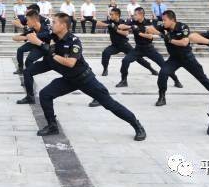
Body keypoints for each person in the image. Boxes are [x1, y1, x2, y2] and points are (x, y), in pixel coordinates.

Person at [19, 13, 147, 141]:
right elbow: (30, 37)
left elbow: (70, 63)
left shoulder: (74, 41)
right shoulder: (53, 36)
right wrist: (29, 33)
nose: (51, 25)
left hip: (85, 79)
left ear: (63, 25)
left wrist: (45, 48)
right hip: (69, 80)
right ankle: (52, 126)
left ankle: (136, 124)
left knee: (109, 104)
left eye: (54, 22)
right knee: (45, 94)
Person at [144, 10, 209, 107]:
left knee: (203, 78)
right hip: (174, 59)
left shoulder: (183, 27)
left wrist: (165, 37)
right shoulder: (163, 27)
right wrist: (153, 29)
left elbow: (184, 43)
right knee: (163, 73)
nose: (163, 22)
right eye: (162, 20)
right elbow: (149, 29)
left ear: (172, 20)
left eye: (165, 20)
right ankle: (162, 97)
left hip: (187, 57)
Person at [115, 8, 182, 88]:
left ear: (141, 15)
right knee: (125, 60)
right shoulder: (133, 22)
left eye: (135, 14)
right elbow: (120, 26)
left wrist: (139, 32)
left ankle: (176, 80)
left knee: (163, 64)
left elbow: (150, 36)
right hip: (138, 49)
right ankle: (124, 81)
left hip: (149, 48)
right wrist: (131, 26)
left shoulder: (149, 22)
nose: (134, 16)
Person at [93, 7, 158, 83]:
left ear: (117, 15)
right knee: (105, 53)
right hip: (115, 45)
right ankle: (105, 69)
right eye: (110, 14)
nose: (110, 16)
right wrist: (108, 25)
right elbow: (97, 23)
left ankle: (151, 69)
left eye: (112, 14)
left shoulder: (123, 22)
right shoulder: (110, 21)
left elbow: (126, 33)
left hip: (124, 45)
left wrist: (115, 28)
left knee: (139, 58)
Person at [13, 8, 53, 75]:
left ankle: (28, 75)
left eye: (28, 20)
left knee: (28, 61)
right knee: (20, 50)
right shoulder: (31, 29)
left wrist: (36, 36)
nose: (26, 22)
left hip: (43, 46)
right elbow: (14, 38)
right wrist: (27, 37)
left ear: (34, 20)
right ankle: (21, 69)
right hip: (34, 43)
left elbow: (48, 34)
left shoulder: (46, 27)